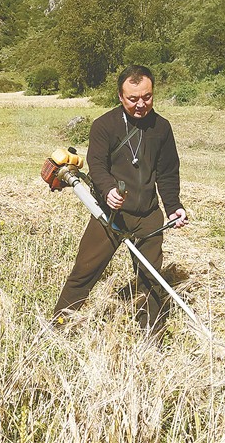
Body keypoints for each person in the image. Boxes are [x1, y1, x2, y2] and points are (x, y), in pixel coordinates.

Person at [52, 64, 188, 339]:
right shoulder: (105, 125)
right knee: (84, 272)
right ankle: (58, 328)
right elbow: (97, 165)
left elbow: (167, 173)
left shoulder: (162, 128)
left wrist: (174, 207)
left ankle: (151, 335)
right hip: (109, 215)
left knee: (151, 278)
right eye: (133, 99)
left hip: (148, 215)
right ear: (120, 96)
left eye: (147, 97)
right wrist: (108, 190)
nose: (141, 105)